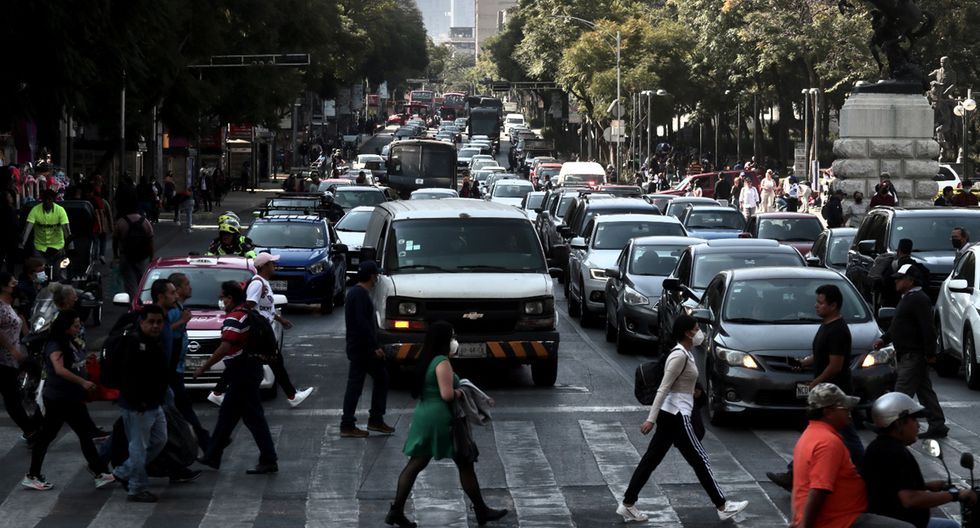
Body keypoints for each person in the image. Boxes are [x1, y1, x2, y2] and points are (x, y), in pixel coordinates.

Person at [617, 314, 749, 522]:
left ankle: (628, 504)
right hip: (678, 415)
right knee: (701, 459)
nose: (700, 333)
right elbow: (664, 388)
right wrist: (650, 419)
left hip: (672, 415)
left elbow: (680, 384)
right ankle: (723, 506)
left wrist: (692, 393)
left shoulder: (687, 353)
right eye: (697, 328)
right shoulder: (679, 355)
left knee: (651, 460)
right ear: (688, 333)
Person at [385, 321, 508, 528]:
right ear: (443, 340)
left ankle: (396, 511)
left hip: (424, 415)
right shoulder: (442, 362)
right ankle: (481, 511)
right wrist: (462, 392)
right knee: (465, 462)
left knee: (416, 463)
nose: (454, 341)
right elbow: (447, 395)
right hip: (442, 419)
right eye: (451, 337)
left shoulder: (426, 359)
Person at [767, 284, 865, 491]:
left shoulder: (838, 331)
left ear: (834, 305)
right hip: (827, 394)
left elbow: (836, 365)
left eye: (821, 303)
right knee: (817, 433)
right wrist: (802, 363)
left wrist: (815, 383)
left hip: (835, 394)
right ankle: (794, 473)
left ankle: (865, 472)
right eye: (817, 302)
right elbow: (822, 356)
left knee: (847, 436)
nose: (816, 306)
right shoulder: (826, 325)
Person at [790, 383, 911, 528]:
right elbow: (818, 489)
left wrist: (798, 519)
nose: (849, 412)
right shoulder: (828, 443)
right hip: (839, 520)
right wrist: (804, 525)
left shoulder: (810, 435)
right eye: (844, 408)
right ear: (828, 412)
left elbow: (799, 487)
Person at [23, 309, 115, 492]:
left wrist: (84, 363)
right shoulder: (55, 345)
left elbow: (72, 363)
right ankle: (33, 475)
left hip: (70, 397)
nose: (78, 328)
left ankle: (99, 472)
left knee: (80, 434)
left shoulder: (69, 342)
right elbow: (59, 369)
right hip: (60, 399)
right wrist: (83, 382)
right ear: (65, 327)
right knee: (52, 436)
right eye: (75, 325)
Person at [196, 281, 278, 474]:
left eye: (223, 297)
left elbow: (225, 347)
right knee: (228, 415)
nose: (221, 301)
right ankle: (212, 456)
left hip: (243, 373)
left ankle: (269, 459)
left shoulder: (235, 317)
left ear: (230, 298)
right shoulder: (248, 314)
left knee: (253, 418)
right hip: (246, 371)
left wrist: (203, 367)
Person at [863, 392, 975, 528]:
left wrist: (925, 486)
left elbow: (891, 487)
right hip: (901, 522)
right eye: (914, 420)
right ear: (899, 424)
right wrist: (955, 495)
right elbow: (909, 499)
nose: (918, 425)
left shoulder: (880, 447)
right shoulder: (894, 453)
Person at [874, 264, 947, 438]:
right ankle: (937, 423)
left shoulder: (918, 299)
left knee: (900, 394)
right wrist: (884, 339)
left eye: (900, 278)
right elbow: (898, 326)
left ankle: (888, 427)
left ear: (910, 280)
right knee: (925, 392)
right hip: (908, 355)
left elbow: (928, 329)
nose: (896, 281)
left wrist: (930, 354)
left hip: (913, 356)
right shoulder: (908, 298)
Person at [111, 304, 170, 501]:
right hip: (138, 406)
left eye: (159, 322)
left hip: (154, 403)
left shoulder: (155, 341)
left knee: (159, 440)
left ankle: (123, 472)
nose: (155, 326)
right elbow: (127, 376)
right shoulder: (134, 343)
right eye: (151, 322)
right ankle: (136, 488)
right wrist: (138, 402)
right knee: (139, 447)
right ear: (142, 322)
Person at [241, 253, 313, 407]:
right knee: (273, 361)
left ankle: (220, 392)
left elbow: (266, 308)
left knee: (255, 362)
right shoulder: (257, 284)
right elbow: (249, 306)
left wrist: (280, 319)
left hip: (264, 328)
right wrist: (257, 326)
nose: (275, 266)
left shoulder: (264, 283)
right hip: (260, 331)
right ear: (265, 266)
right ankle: (292, 396)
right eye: (272, 263)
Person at [340, 260, 394, 438]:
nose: (377, 277)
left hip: (359, 347)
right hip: (362, 349)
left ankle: (372, 419)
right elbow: (362, 324)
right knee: (357, 385)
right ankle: (350, 424)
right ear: (372, 276)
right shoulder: (360, 294)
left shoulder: (356, 293)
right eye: (376, 274)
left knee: (379, 378)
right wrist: (374, 347)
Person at [166, 273, 211, 453]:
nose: (190, 287)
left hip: (176, 367)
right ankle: (206, 443)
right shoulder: (173, 311)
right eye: (187, 284)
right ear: (176, 290)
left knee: (180, 409)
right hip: (169, 369)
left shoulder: (179, 307)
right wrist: (182, 321)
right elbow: (162, 331)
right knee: (180, 409)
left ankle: (206, 443)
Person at [0, 272, 36, 441]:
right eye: (13, 282)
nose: (16, 285)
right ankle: (30, 431)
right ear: (4, 287)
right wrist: (12, 350)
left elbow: (19, 325)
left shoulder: (10, 304)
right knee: (12, 398)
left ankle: (33, 426)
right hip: (4, 359)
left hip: (14, 358)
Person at [113, 204, 155, 299]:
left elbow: (115, 241)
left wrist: (116, 256)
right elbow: (151, 240)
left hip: (126, 256)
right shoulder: (145, 221)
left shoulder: (121, 222)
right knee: (142, 280)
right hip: (142, 256)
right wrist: (151, 257)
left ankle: (133, 304)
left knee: (129, 283)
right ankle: (142, 300)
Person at [20, 189, 71, 259]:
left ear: (53, 200)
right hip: (39, 248)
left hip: (57, 248)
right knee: (39, 269)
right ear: (42, 200)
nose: (47, 202)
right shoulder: (35, 210)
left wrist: (71, 248)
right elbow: (27, 229)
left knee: (59, 268)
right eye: (45, 199)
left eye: (49, 199)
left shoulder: (60, 211)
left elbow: (67, 231)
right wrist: (21, 246)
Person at [0, 190, 19, 272]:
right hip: (10, 238)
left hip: (7, 237)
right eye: (9, 197)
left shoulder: (10, 209)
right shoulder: (10, 210)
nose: (12, 198)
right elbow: (14, 225)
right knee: (10, 261)